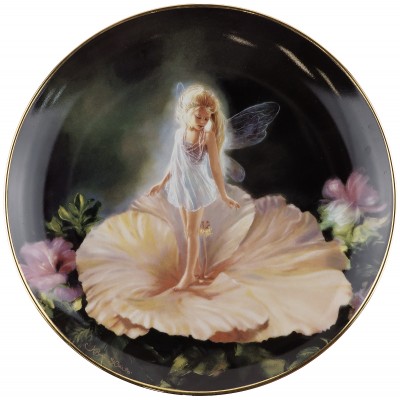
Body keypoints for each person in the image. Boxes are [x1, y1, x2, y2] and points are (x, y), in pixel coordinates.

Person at [147, 84, 240, 290]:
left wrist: (224, 195)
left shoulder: (207, 137)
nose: (202, 122)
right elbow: (174, 163)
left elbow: (216, 168)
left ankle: (188, 276)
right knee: (188, 230)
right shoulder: (179, 134)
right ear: (187, 113)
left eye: (206, 119)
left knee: (191, 232)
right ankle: (196, 269)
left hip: (197, 188)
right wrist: (162, 183)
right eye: (198, 117)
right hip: (181, 185)